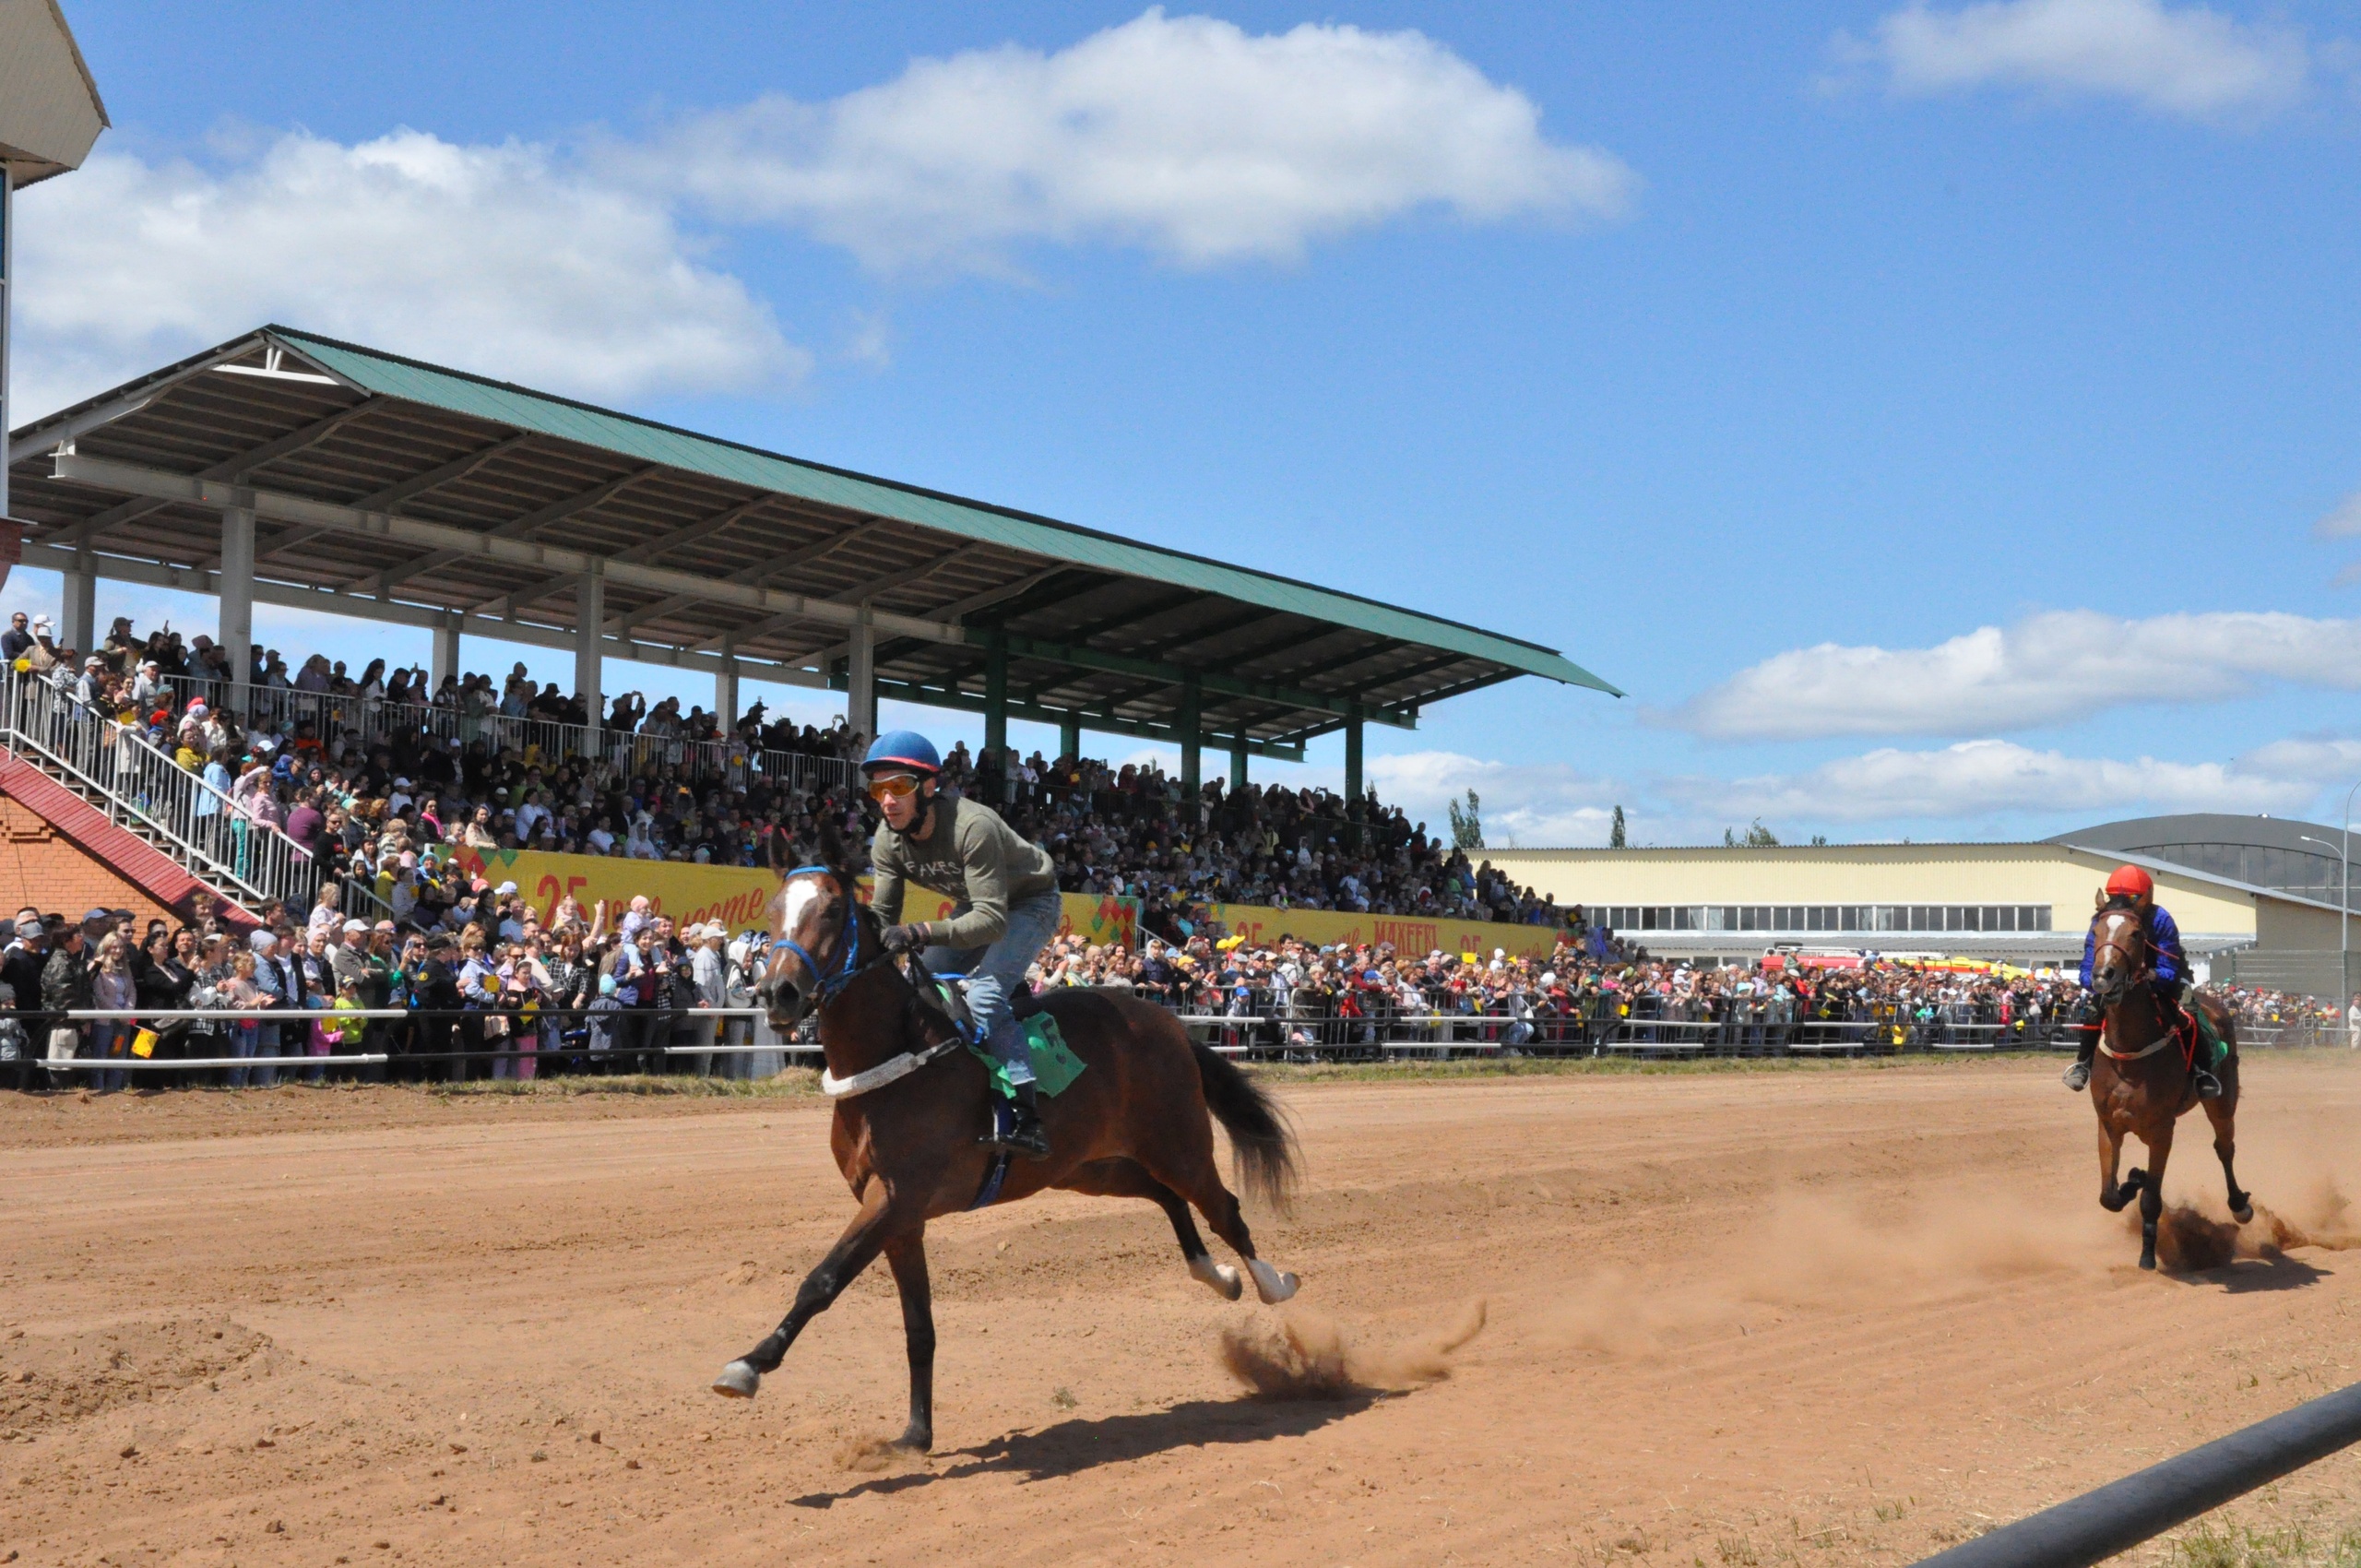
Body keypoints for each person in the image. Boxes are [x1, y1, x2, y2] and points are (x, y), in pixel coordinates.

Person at [862, 730, 1062, 1160]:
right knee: (921, 985)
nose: (887, 800)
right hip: (978, 904)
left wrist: (918, 932)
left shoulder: (974, 825)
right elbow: (882, 918)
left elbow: (991, 921)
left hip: (1029, 902)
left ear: (928, 787)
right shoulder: (886, 838)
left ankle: (1028, 1116)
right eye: (878, 788)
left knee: (987, 995)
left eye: (899, 787)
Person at [2064, 864, 2215, 1099]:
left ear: (2145, 898)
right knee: (2094, 1010)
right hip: (2119, 973)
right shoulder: (2100, 921)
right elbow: (2088, 963)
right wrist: (2093, 981)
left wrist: (2152, 976)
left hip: (2165, 971)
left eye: (2132, 897)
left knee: (2189, 1011)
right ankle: (2083, 1064)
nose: (2123, 901)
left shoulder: (2161, 918)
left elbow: (2169, 966)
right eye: (2116, 897)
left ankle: (2201, 1070)